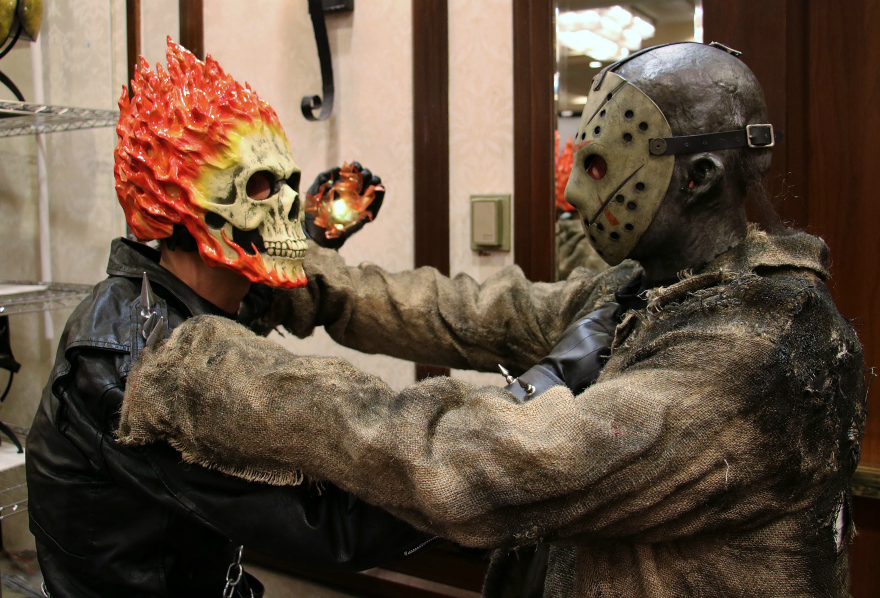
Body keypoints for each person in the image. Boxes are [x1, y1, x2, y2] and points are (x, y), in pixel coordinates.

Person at [117, 42, 867, 597]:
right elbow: (467, 315)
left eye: (599, 169)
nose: (574, 196)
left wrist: (211, 367)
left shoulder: (758, 354)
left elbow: (481, 459)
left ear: (698, 178)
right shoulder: (651, 288)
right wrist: (296, 278)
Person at [25, 40, 431, 598]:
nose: (289, 204)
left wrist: (310, 231)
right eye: (261, 186)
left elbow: (244, 307)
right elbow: (330, 524)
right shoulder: (135, 363)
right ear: (177, 205)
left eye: (289, 185)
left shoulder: (177, 298)